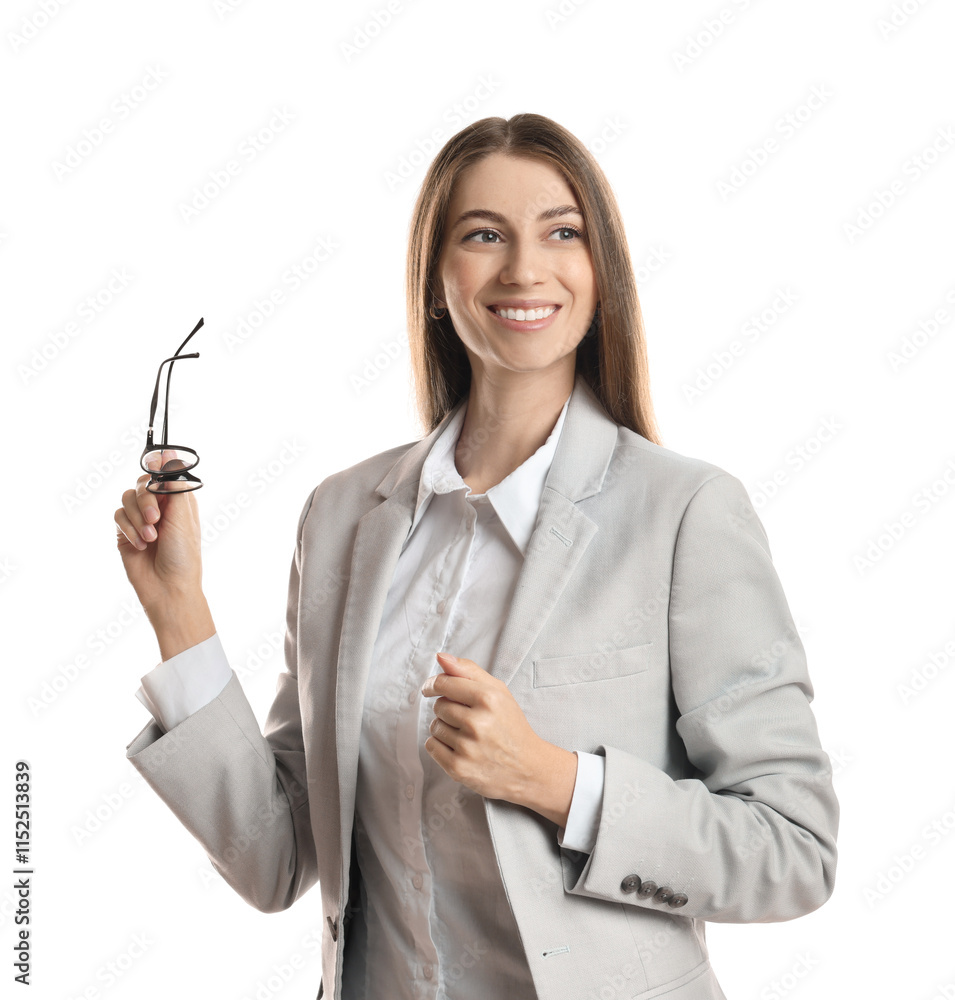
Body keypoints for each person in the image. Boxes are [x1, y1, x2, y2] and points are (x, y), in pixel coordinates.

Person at [115, 113, 839, 1000]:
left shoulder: (684, 513)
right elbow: (274, 856)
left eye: (561, 233)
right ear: (434, 279)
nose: (524, 269)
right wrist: (179, 612)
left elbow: (792, 850)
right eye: (484, 235)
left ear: (601, 272)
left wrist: (553, 780)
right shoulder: (340, 517)